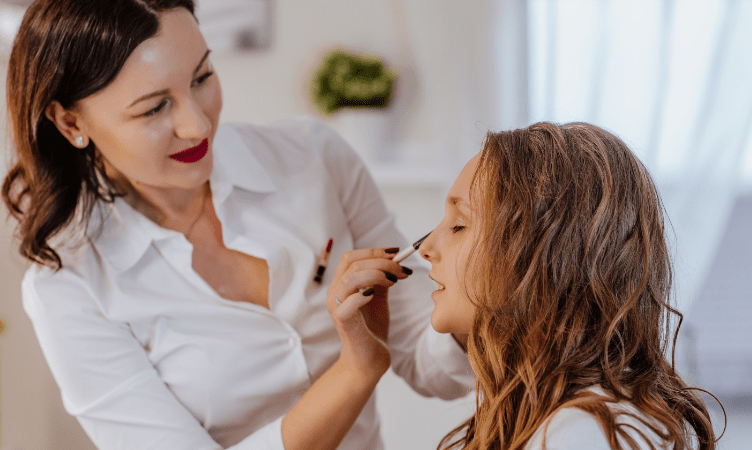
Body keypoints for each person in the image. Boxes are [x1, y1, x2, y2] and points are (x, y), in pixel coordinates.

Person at [2, 1, 471, 449]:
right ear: (69, 122)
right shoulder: (68, 285)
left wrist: (479, 288)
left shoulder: (315, 159)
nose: (197, 125)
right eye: (153, 108)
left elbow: (431, 362)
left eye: (202, 76)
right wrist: (355, 371)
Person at [418, 122, 722, 449]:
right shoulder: (560, 418)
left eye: (459, 225)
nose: (426, 247)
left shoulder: (583, 433)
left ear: (539, 252)